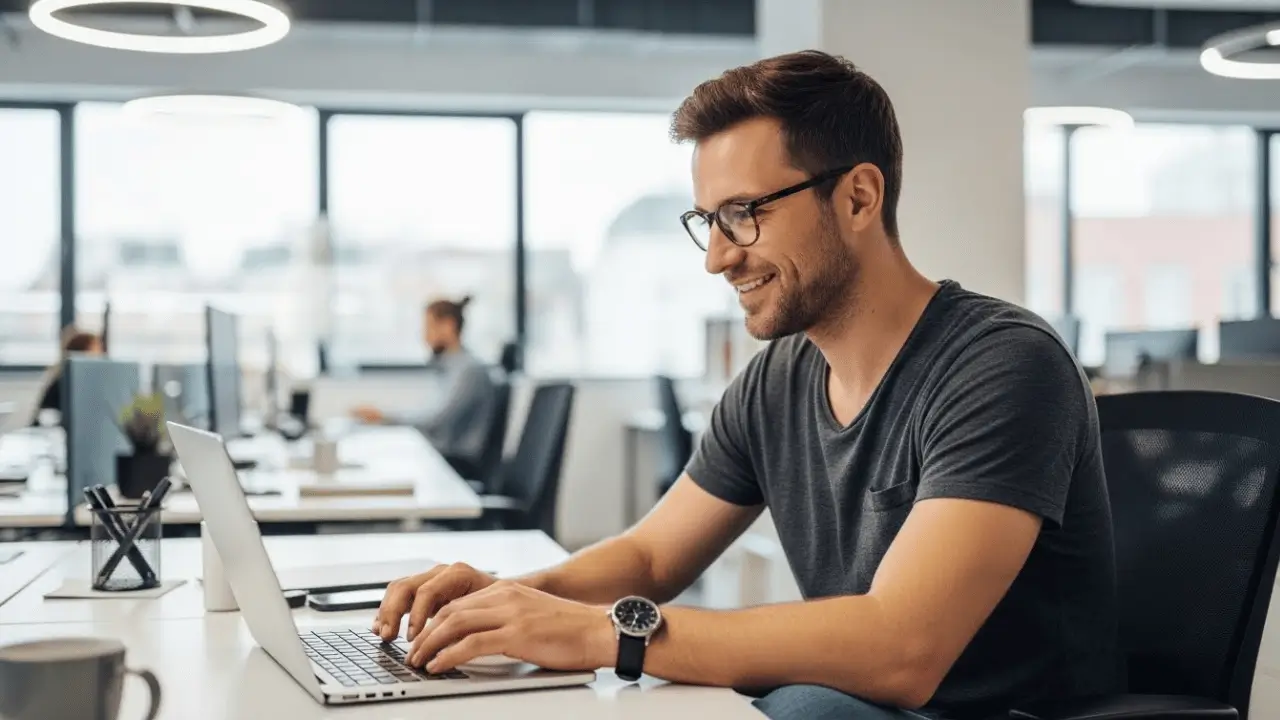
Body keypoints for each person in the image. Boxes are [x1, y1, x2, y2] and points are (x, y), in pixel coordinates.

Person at [371, 50, 1120, 720]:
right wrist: (509, 603)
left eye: (744, 214)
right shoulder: (779, 377)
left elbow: (904, 648)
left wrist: (606, 634)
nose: (718, 258)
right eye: (708, 221)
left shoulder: (1001, 365)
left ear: (859, 198)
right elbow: (653, 560)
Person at [351, 296, 498, 478]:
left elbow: (436, 420)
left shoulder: (469, 371)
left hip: (456, 464)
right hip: (442, 458)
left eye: (429, 327)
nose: (425, 336)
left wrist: (384, 417)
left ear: (448, 326)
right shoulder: (449, 368)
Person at [31, 326, 103, 424]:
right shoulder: (62, 383)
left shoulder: (95, 385)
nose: (99, 357)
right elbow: (44, 418)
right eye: (94, 351)